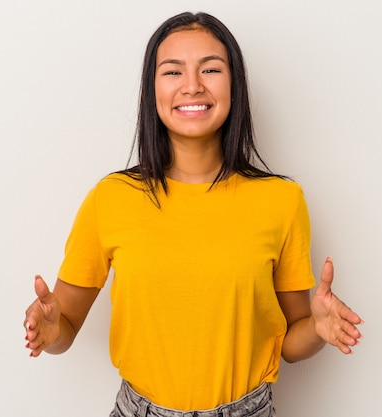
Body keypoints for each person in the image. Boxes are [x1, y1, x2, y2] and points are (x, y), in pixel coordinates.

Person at [24, 11, 363, 417]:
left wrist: (318, 329)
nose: (192, 85)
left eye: (211, 69)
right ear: (152, 90)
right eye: (172, 71)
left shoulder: (282, 200)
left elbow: (290, 344)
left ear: (234, 85)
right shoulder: (110, 198)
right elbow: (66, 329)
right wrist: (49, 329)